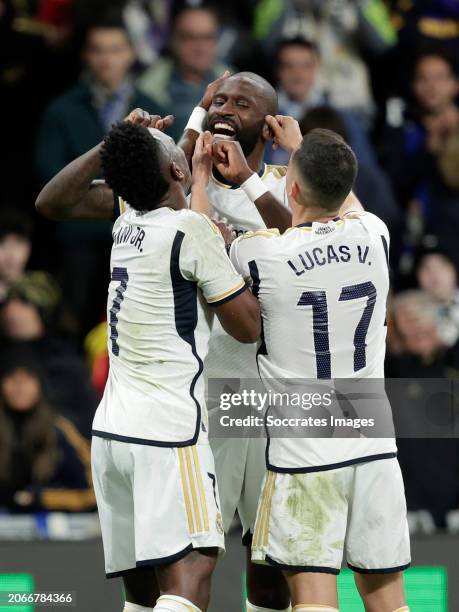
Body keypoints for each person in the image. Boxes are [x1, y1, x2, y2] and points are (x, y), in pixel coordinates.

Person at [36, 108, 261, 612]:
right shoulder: (190, 230)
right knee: (194, 568)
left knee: (142, 593)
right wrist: (230, 255)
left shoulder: (127, 220)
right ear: (176, 171)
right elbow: (248, 327)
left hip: (113, 434)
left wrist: (118, 144)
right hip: (168, 433)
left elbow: (52, 201)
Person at [228, 125, 410, 611]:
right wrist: (300, 147)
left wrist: (241, 178)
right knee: (390, 601)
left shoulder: (259, 253)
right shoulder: (375, 235)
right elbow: (338, 200)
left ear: (290, 186)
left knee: (314, 602)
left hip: (305, 450)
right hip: (373, 442)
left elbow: (219, 247)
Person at [35, 18, 163, 341]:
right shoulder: (60, 110)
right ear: (85, 56)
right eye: (97, 50)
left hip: (139, 238)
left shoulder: (155, 108)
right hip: (80, 242)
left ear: (131, 53)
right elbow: (49, 176)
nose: (107, 59)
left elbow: (169, 176)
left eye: (115, 49)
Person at [0, 272, 98, 438]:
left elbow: (87, 422)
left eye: (24, 303)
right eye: (10, 302)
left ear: (44, 313)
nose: (13, 311)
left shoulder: (68, 365)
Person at [0, 346, 95, 513]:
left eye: (27, 378)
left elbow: (92, 493)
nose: (19, 386)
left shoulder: (61, 431)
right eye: (12, 378)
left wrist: (38, 498)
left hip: (56, 528)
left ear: (39, 385)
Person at [137, 6, 228, 142]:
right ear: (174, 40)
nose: (200, 47)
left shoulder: (234, 83)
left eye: (207, 38)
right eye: (190, 38)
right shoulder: (147, 91)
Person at [0, 212, 33, 302]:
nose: (10, 254)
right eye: (2, 243)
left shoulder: (44, 291)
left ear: (28, 247)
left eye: (18, 242)